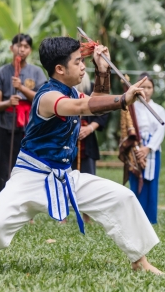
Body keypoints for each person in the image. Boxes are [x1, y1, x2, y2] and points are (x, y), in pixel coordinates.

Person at [0, 37, 162, 275]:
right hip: (29, 176)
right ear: (59, 69)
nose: (82, 67)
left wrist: (102, 69)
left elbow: (93, 102)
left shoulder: (71, 92)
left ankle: (140, 261)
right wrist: (123, 99)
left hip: (63, 176)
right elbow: (81, 108)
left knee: (122, 197)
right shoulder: (47, 96)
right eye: (78, 62)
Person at [0, 33, 47, 198]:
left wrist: (21, 88)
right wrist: (8, 103)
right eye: (19, 46)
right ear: (11, 48)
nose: (22, 49)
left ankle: (26, 207)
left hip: (30, 127)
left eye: (26, 47)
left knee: (28, 167)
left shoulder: (36, 72)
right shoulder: (1, 73)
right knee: (3, 167)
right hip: (6, 125)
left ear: (30, 50)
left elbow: (41, 98)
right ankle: (0, 203)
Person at [69, 72, 109, 224]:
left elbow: (103, 113)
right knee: (65, 177)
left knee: (88, 178)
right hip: (67, 142)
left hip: (88, 141)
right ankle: (63, 216)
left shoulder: (92, 88)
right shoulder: (64, 91)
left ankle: (87, 216)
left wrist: (90, 128)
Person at [128, 73, 165, 224]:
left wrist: (148, 148)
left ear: (153, 89)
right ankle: (136, 219)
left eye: (149, 87)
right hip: (135, 150)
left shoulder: (159, 109)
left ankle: (150, 219)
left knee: (151, 184)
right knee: (136, 182)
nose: (146, 90)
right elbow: (128, 129)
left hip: (153, 151)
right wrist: (138, 149)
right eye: (143, 87)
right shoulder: (131, 108)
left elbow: (160, 131)